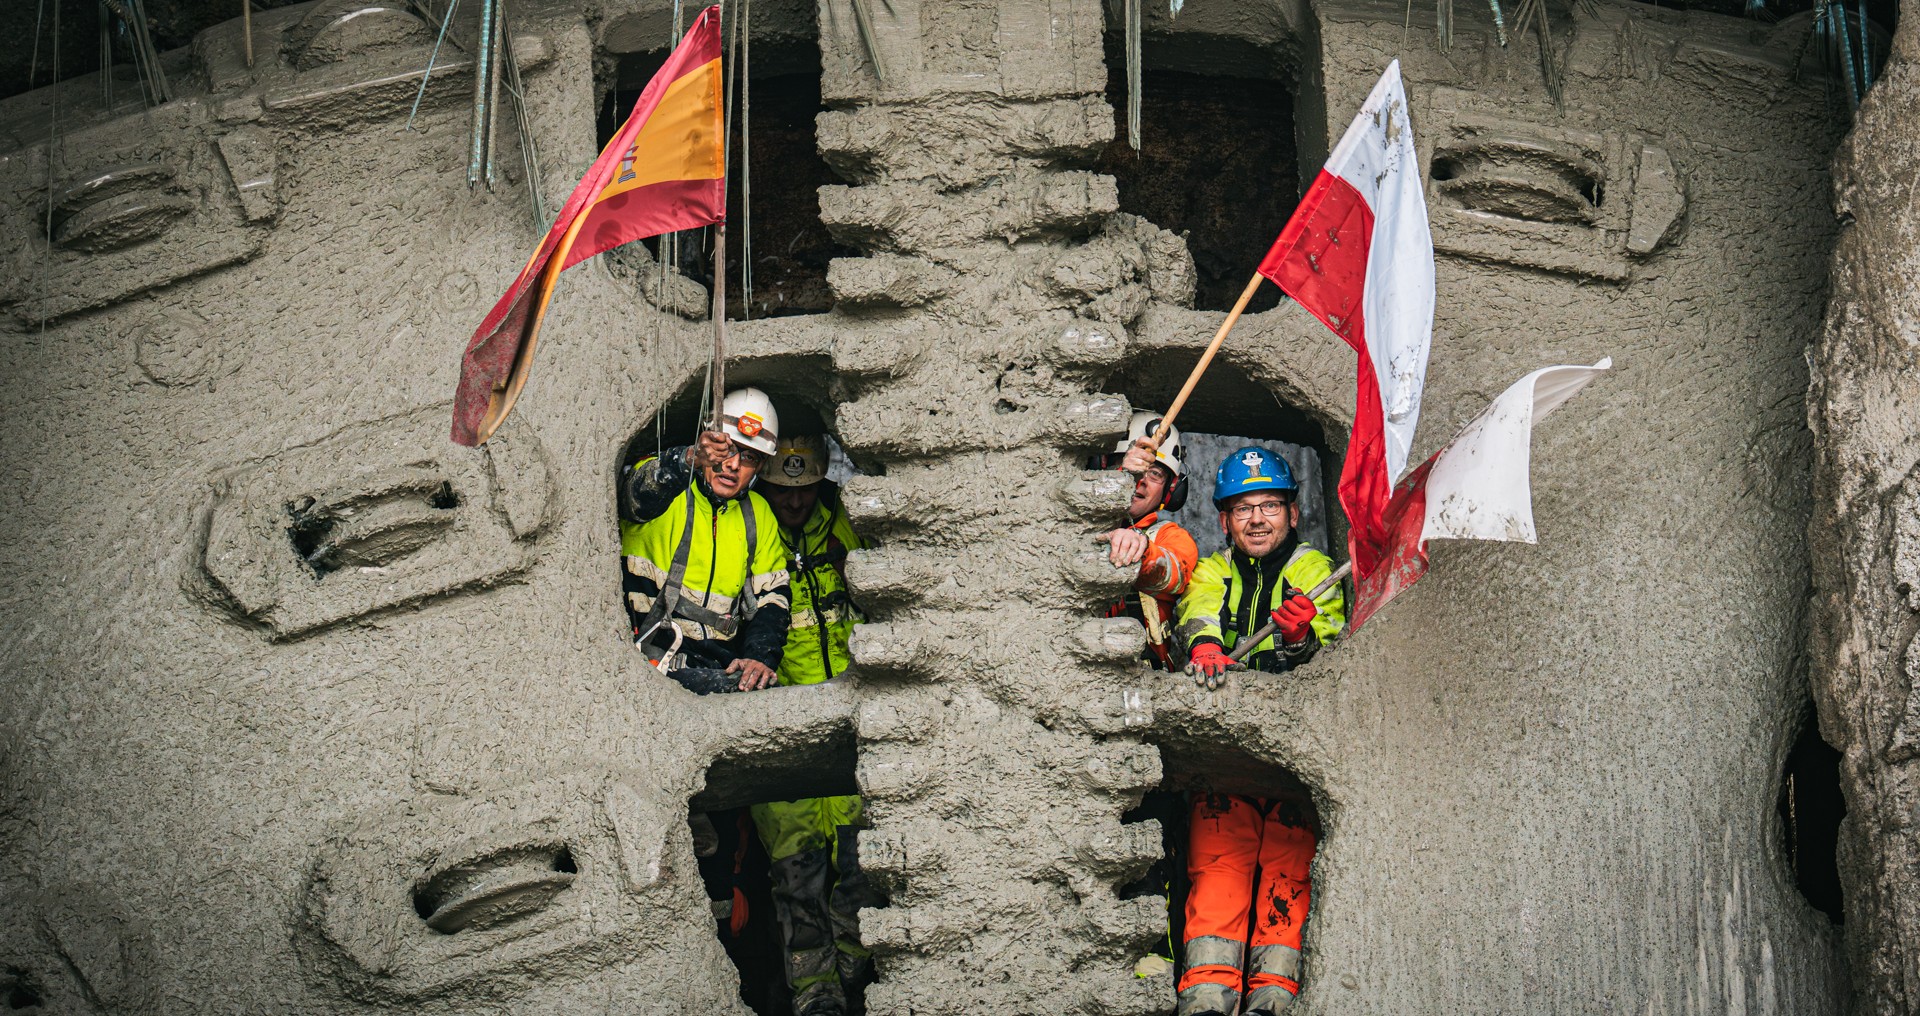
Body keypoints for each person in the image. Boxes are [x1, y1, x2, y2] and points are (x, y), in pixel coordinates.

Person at [1171, 446, 1345, 1016]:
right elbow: (1197, 607)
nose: (1257, 519)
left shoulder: (1313, 568)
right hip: (1226, 752)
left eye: (1270, 504)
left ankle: (1273, 1001)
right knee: (1217, 873)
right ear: (1223, 520)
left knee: (1289, 875)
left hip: (1297, 754)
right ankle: (1205, 1001)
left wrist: (1300, 640)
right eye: (1242, 508)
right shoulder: (1213, 567)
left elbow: (1336, 646)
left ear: (1293, 514)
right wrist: (1202, 644)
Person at [747, 433, 880, 1016]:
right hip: (777, 726)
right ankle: (813, 989)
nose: (794, 503)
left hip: (852, 717)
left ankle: (855, 961)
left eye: (803, 490)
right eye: (782, 490)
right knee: (795, 872)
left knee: (859, 859)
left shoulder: (844, 521)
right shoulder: (751, 529)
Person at [620, 387, 792, 695]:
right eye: (727, 448)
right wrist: (688, 460)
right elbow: (635, 497)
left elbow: (772, 599)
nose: (733, 464)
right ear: (707, 440)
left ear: (762, 466)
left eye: (750, 456)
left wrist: (758, 659)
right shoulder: (667, 487)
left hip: (718, 667)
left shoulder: (759, 514)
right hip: (649, 658)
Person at [1096, 412, 1200, 669]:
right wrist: (1120, 480)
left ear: (1171, 490)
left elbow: (1174, 574)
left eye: (1154, 474)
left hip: (1146, 680)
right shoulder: (1071, 523)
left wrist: (1141, 551)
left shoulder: (1172, 537)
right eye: (1127, 464)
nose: (1139, 481)